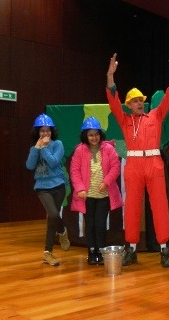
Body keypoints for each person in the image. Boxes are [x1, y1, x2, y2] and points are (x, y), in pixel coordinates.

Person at [106, 51, 169, 268]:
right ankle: (131, 249)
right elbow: (112, 100)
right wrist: (110, 76)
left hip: (154, 164)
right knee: (131, 208)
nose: (139, 103)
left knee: (160, 206)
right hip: (133, 166)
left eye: (141, 100)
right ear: (129, 105)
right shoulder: (124, 120)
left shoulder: (156, 116)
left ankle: (164, 249)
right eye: (135, 101)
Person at [70, 116, 123, 265]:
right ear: (85, 136)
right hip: (87, 196)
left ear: (100, 134)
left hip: (104, 196)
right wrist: (80, 189)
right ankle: (91, 251)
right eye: (91, 135)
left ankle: (101, 251)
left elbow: (115, 167)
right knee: (90, 224)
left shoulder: (109, 149)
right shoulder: (79, 150)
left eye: (97, 134)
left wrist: (106, 182)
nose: (94, 137)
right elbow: (74, 171)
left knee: (100, 224)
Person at [25, 113, 70, 266]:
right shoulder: (35, 148)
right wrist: (36, 148)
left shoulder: (58, 144)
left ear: (52, 131)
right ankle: (62, 232)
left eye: (48, 130)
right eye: (42, 131)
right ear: (37, 132)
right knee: (53, 214)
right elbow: (29, 166)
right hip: (42, 187)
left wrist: (43, 148)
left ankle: (47, 253)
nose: (45, 133)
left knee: (52, 219)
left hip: (58, 185)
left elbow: (53, 162)